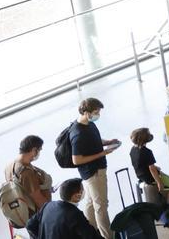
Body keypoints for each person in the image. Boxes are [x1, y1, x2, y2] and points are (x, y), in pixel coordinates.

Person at [68, 98, 117, 237]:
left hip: (93, 172)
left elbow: (94, 140)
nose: (98, 115)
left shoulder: (89, 124)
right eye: (96, 112)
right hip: (93, 173)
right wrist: (102, 153)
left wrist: (108, 142)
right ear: (86, 112)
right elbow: (76, 160)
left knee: (91, 203)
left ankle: (89, 233)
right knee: (101, 206)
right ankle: (108, 236)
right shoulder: (78, 133)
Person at [24, 178, 103, 239]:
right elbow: (91, 236)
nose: (83, 192)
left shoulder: (48, 205)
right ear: (76, 196)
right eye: (82, 190)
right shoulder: (75, 214)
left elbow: (29, 225)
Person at [6, 135, 53, 217]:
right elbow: (37, 198)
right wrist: (52, 213)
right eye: (39, 150)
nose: (39, 153)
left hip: (25, 212)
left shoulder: (10, 166)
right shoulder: (26, 172)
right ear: (34, 150)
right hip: (38, 214)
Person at [129, 128, 169, 205]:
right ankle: (168, 206)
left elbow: (139, 163)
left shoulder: (132, 150)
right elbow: (151, 168)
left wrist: (155, 167)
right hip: (150, 178)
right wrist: (159, 182)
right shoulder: (147, 152)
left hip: (141, 176)